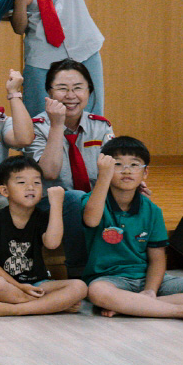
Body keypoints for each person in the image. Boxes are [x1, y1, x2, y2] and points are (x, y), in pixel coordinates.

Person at [80, 138, 183, 325]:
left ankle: (132, 305)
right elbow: (91, 220)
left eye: (134, 165)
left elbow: (157, 259)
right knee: (98, 292)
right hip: (109, 279)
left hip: (146, 278)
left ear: (145, 172)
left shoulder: (152, 210)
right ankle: (181, 311)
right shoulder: (93, 201)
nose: (127, 170)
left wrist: (150, 290)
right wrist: (103, 176)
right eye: (117, 164)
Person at [26, 58, 111, 273]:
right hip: (49, 206)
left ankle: (129, 267)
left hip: (92, 202)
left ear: (89, 91)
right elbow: (50, 172)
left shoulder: (100, 126)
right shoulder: (36, 127)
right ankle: (78, 270)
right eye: (62, 88)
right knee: (73, 198)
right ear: (49, 92)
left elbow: (114, 166)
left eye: (78, 88)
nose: (71, 95)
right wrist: (57, 125)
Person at [0, 156, 87, 317]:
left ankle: (17, 309)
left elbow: (52, 243)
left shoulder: (41, 217)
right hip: (6, 283)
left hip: (37, 283)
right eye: (21, 182)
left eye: (37, 182)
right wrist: (20, 286)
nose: (30, 187)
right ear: (5, 191)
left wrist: (56, 204)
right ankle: (51, 305)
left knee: (80, 287)